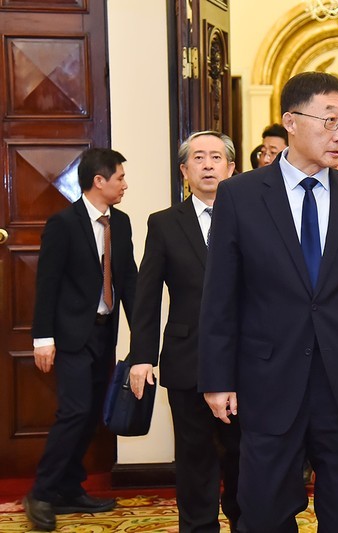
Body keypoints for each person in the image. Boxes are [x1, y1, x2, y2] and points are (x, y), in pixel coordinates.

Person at [198, 71, 338, 533]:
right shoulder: (241, 195)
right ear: (290, 121)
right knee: (265, 510)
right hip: (268, 378)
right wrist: (217, 378)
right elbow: (221, 295)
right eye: (329, 121)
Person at [128, 131, 240, 533]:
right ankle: (198, 527)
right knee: (194, 455)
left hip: (246, 358)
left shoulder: (254, 218)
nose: (207, 164)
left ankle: (244, 522)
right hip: (186, 356)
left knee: (243, 453)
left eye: (216, 158)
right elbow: (146, 294)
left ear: (231, 168)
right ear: (184, 170)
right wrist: (142, 356)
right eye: (198, 158)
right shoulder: (163, 223)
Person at [25, 148, 138, 532]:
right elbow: (47, 284)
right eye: (120, 178)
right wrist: (43, 338)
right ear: (99, 181)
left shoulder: (120, 223)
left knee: (90, 415)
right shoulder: (63, 224)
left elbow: (130, 283)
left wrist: (143, 336)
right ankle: (41, 492)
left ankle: (70, 489)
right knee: (74, 411)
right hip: (71, 335)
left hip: (104, 334)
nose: (125, 184)